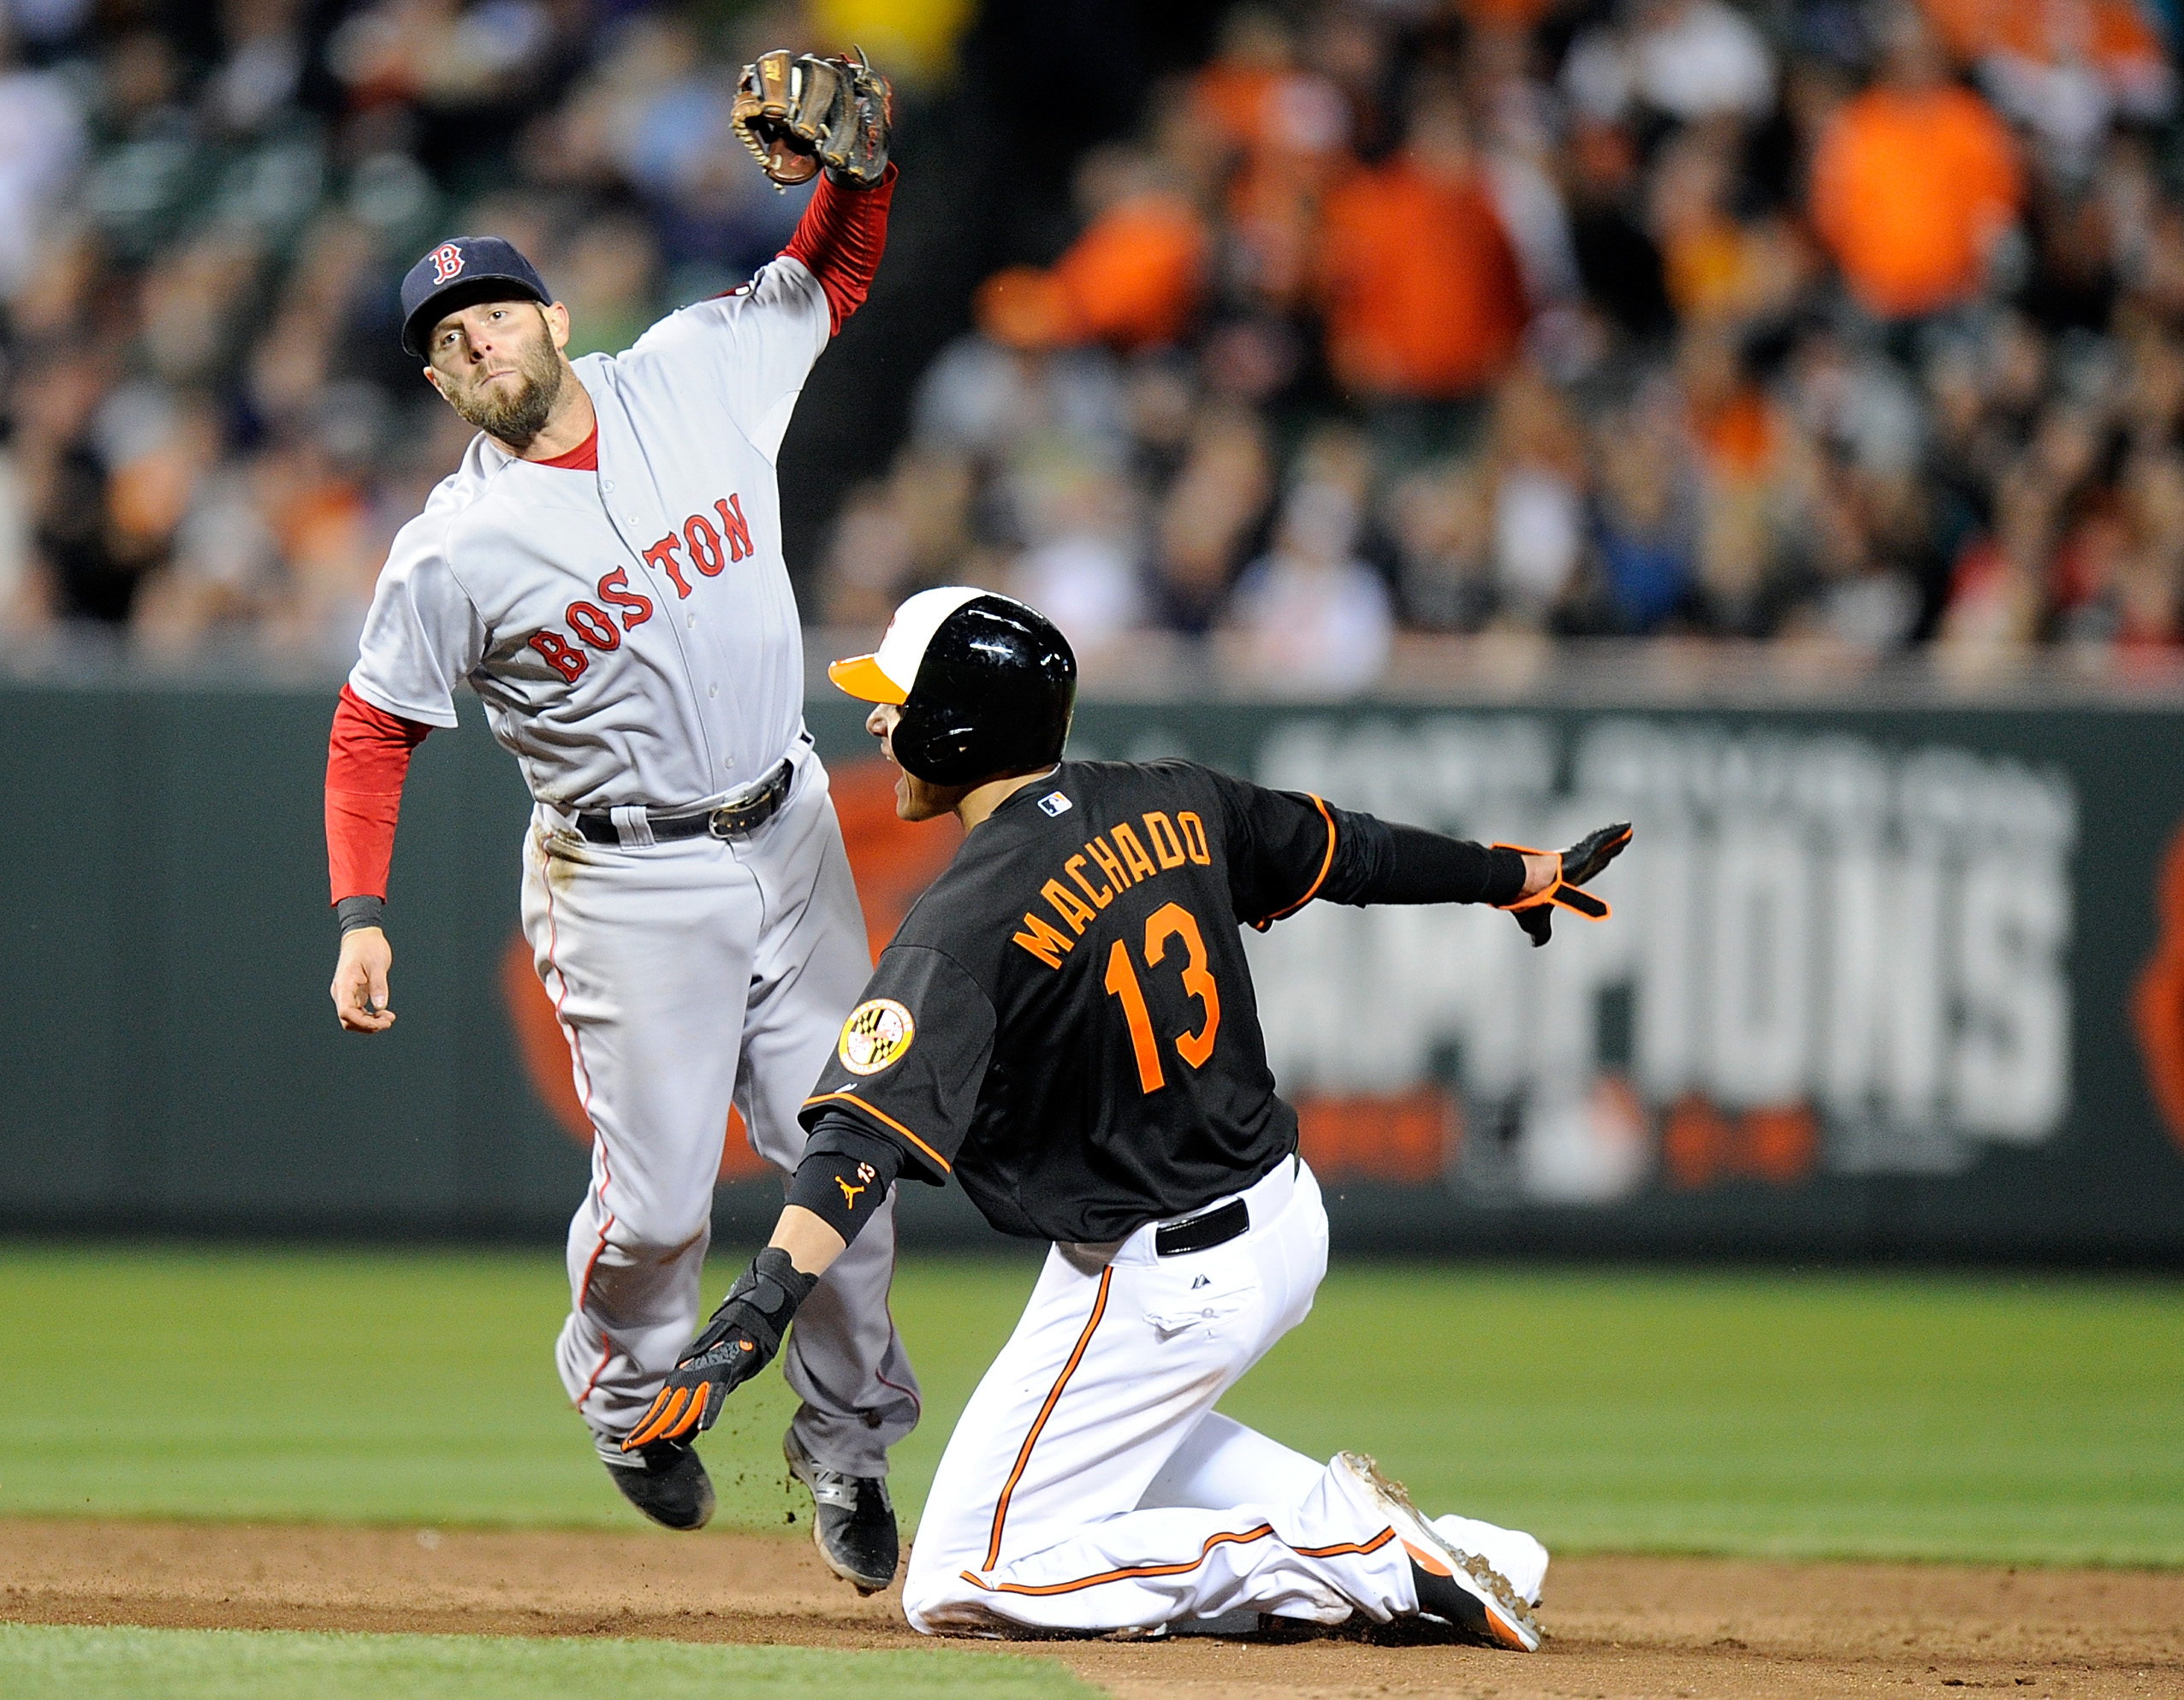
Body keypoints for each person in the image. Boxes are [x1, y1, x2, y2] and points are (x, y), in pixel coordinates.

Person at [625, 587, 1631, 1644]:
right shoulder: (1171, 797)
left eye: (894, 699)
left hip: (1164, 1271)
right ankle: (1437, 1545)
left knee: (961, 1578)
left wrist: (751, 1316)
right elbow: (1347, 850)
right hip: (1276, 1217)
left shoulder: (966, 921)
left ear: (955, 723)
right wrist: (1516, 874)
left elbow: (854, 1145)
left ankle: (1345, 1556)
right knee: (1106, 1451)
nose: (877, 720)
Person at [319, 53, 915, 1590]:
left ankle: (848, 1447)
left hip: (788, 832)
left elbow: (832, 272)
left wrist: (862, 169)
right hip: (625, 876)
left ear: (555, 317)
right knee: (655, 1205)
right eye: (448, 339)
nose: (475, 341)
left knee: (845, 1157)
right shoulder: (453, 550)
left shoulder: (693, 368)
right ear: (440, 382)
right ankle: (623, 1392)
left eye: (494, 310)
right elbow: (375, 724)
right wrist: (360, 911)